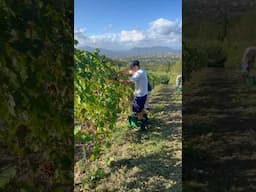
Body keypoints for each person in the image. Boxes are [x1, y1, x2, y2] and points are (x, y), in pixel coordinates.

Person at [118, 60, 148, 130]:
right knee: (141, 108)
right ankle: (144, 119)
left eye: (132, 67)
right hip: (144, 93)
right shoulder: (142, 71)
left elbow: (128, 82)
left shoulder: (138, 74)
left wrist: (118, 80)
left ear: (136, 67)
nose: (131, 69)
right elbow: (130, 72)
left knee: (138, 111)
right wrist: (121, 72)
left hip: (139, 95)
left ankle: (142, 125)